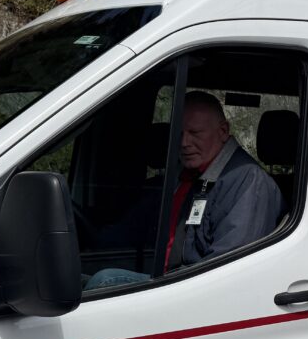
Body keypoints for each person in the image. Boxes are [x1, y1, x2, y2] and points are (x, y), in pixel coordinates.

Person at [85, 92, 285, 290]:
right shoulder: (185, 176)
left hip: (192, 288)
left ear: (223, 131)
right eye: (179, 134)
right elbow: (131, 229)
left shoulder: (248, 182)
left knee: (105, 281)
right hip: (167, 275)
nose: (184, 143)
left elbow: (230, 269)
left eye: (195, 133)